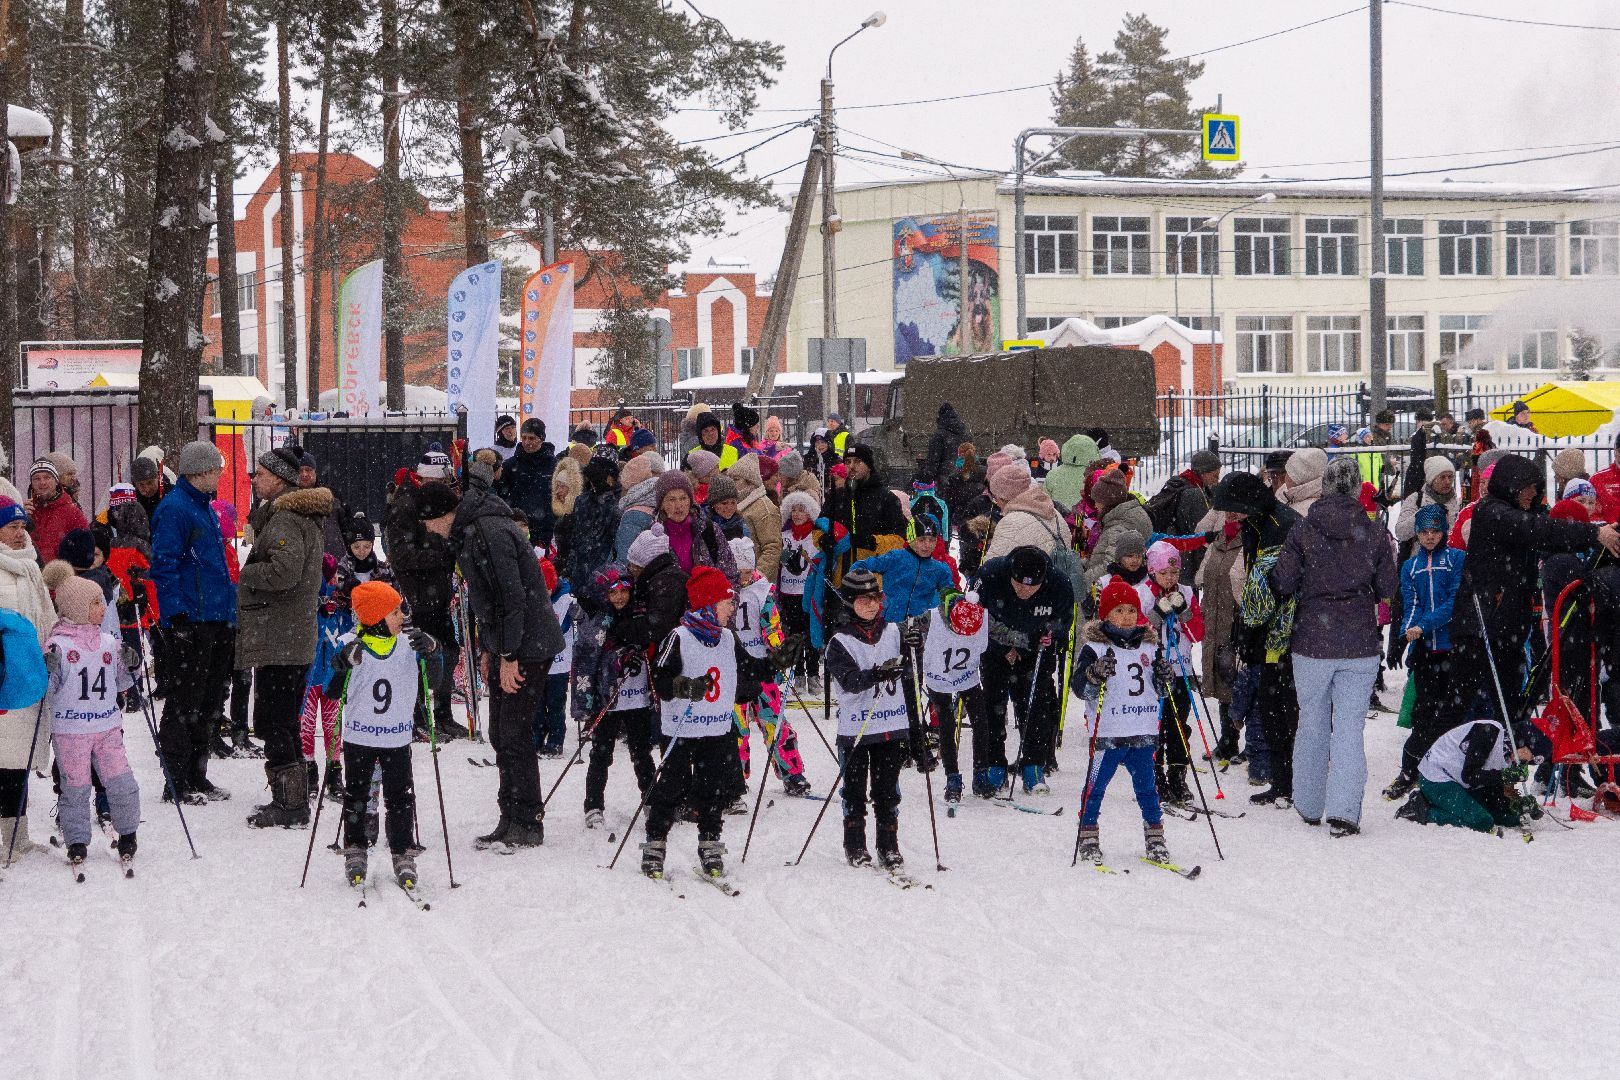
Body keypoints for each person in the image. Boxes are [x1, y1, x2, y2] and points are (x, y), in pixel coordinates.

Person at [1441, 454, 1620, 749]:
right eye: (1529, 488)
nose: (1534, 495)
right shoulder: (1492, 512)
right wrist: (1593, 533)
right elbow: (1540, 529)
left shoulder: (1519, 514)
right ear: (1512, 485)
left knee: (1509, 709)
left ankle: (1496, 775)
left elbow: (1553, 532)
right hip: (1480, 627)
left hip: (1507, 628)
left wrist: (1602, 529)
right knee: (1461, 705)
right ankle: (1424, 767)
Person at [442, 460, 565, 849]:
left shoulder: (488, 530)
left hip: (528, 643)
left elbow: (511, 599)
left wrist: (508, 654)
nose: (429, 532)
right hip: (510, 643)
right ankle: (509, 813)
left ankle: (527, 818)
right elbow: (486, 601)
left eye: (429, 523)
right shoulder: (470, 530)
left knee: (513, 733)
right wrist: (488, 650)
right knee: (500, 731)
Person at [1271, 458, 1396, 836]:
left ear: (1324, 486)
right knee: (1349, 728)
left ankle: (1309, 802)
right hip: (1359, 642)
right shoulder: (1374, 533)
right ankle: (1344, 810)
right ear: (1358, 487)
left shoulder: (1304, 529)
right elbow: (1388, 588)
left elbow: (1284, 581)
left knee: (1311, 722)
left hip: (1311, 640)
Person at [641, 566, 773, 882]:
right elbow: (659, 681)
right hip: (682, 729)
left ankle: (710, 842)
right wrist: (685, 687)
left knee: (713, 789)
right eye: (728, 602)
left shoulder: (728, 638)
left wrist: (778, 662)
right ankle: (655, 845)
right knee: (671, 788)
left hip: (716, 728)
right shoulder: (679, 636)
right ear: (709, 603)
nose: (732, 608)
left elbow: (749, 672)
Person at [240, 447, 335, 828]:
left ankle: (290, 803)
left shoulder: (284, 519)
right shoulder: (299, 516)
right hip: (292, 632)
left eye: (259, 474)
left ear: (279, 479)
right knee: (284, 717)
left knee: (274, 719)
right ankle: (295, 792)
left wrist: (246, 574)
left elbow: (283, 572)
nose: (254, 479)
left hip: (281, 633)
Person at [822, 567, 933, 870]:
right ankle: (855, 845)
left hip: (892, 727)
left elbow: (912, 676)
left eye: (875, 598)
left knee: (887, 791)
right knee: (855, 791)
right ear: (848, 602)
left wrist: (914, 648)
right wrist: (878, 673)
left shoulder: (894, 632)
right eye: (863, 599)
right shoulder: (839, 642)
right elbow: (850, 681)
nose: (871, 605)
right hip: (857, 729)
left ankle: (889, 846)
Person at [333, 581, 438, 889]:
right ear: (377, 616)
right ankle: (355, 847)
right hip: (359, 737)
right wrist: (340, 665)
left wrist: (433, 651)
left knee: (400, 797)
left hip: (396, 737)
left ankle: (403, 850)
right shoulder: (353, 644)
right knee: (356, 796)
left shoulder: (408, 643)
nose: (402, 616)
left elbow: (437, 680)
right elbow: (332, 691)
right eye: (394, 612)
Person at [149, 440, 237, 806]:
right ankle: (176, 780)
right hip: (191, 621)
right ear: (199, 472)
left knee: (210, 699)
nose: (219, 474)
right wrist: (176, 616)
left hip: (216, 618)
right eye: (215, 469)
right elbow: (164, 565)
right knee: (185, 701)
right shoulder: (175, 509)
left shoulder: (203, 508)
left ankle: (197, 774)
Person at [1212, 470, 1303, 807]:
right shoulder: (1254, 523)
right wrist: (1246, 630)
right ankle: (1280, 782)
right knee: (1268, 707)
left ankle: (1291, 781)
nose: (1228, 516)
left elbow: (1273, 586)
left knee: (1281, 709)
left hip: (1283, 632)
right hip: (1262, 627)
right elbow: (1254, 583)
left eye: (1231, 508)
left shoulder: (1282, 525)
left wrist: (1252, 629)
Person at [1072, 576, 1176, 868]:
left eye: (1131, 609)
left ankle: (1155, 838)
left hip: (1142, 729)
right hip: (1108, 731)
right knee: (1095, 786)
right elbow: (1080, 688)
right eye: (1119, 610)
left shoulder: (1149, 646)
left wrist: (1164, 677)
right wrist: (1094, 674)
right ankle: (1088, 835)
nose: (1127, 616)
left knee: (1147, 788)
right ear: (1106, 614)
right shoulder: (1094, 647)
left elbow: (1160, 689)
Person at [44, 573, 139, 870]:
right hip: (71, 729)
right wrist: (48, 669)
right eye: (96, 602)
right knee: (76, 786)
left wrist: (133, 665)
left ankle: (128, 832)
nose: (102, 607)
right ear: (76, 608)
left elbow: (121, 679)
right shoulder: (57, 644)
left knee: (122, 782)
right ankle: (76, 840)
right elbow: (48, 689)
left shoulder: (109, 642)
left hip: (107, 726)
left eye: (101, 601)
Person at [975, 545, 1074, 797]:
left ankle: (1033, 766)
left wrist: (1051, 634)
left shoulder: (1059, 583)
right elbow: (974, 615)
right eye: (1018, 585)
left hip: (1035, 651)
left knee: (1035, 707)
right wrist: (1003, 646)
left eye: (1032, 587)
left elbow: (1064, 622)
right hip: (995, 648)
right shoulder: (990, 574)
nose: (1024, 591)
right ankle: (995, 765)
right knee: (993, 706)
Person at [1383, 503, 1464, 801]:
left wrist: (1425, 624)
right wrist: (1409, 631)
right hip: (1427, 652)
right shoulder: (1411, 566)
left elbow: (1454, 603)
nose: (1430, 538)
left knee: (1452, 713)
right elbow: (1411, 600)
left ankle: (1447, 771)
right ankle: (1410, 770)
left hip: (1452, 649)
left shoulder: (1456, 559)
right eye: (1424, 533)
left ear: (1444, 532)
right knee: (1423, 714)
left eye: (1435, 531)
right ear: (1417, 535)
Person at [726, 538, 813, 802]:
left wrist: (779, 652)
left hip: (763, 670)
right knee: (736, 728)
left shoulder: (762, 591)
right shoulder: (724, 593)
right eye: (736, 571)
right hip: (734, 673)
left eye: (744, 571)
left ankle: (792, 773)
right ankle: (735, 778)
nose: (741, 577)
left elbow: (771, 626)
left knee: (774, 723)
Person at [573, 564, 656, 829]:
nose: (620, 597)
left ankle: (651, 798)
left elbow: (647, 641)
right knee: (601, 752)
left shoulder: (640, 613)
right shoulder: (598, 620)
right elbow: (590, 659)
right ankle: (593, 804)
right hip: (608, 698)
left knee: (641, 751)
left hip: (637, 696)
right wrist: (618, 661)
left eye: (624, 591)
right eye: (613, 592)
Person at [385, 480, 466, 742]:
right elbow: (402, 557)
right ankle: (419, 717)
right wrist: (440, 551)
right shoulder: (405, 511)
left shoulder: (435, 506)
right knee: (419, 660)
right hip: (416, 599)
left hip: (439, 596)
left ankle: (443, 714)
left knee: (448, 652)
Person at [0, 497, 54, 860]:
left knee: (17, 760)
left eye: (22, 527)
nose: (21, 534)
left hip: (28, 679)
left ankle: (16, 837)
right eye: (12, 527)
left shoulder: (32, 565)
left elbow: (45, 614)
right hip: (3, 677)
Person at [1145, 542, 1203, 806]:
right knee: (1156, 725)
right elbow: (1138, 633)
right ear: (1152, 571)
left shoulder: (1187, 592)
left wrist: (1185, 613)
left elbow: (1197, 634)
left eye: (1175, 573)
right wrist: (1157, 614)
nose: (1170, 579)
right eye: (1164, 573)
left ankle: (1178, 775)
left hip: (1181, 669)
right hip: (1155, 671)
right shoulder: (1144, 593)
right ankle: (1155, 775)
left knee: (1179, 725)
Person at [921, 589, 988, 805]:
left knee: (981, 721)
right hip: (938, 679)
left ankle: (980, 772)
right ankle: (952, 778)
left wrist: (1024, 639)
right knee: (947, 725)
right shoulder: (932, 617)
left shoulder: (982, 615)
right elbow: (902, 628)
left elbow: (1002, 631)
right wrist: (911, 638)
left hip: (967, 676)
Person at [1401, 717, 1526, 834]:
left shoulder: (1508, 752)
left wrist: (1516, 808)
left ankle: (1436, 802)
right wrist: (1502, 776)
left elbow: (1492, 796)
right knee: (1483, 821)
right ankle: (1420, 810)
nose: (1530, 761)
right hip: (1437, 778)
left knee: (1503, 816)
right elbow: (1470, 776)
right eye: (1534, 757)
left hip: (1459, 781)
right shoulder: (1489, 734)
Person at [1145, 450, 1221, 578]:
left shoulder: (1181, 483)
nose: (1217, 480)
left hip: (1172, 550)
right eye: (1215, 475)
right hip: (1185, 554)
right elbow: (1199, 530)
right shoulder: (1194, 494)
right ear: (1203, 473)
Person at [777, 492, 823, 696]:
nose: (797, 514)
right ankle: (798, 673)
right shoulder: (784, 536)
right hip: (789, 592)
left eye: (801, 509)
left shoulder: (816, 537)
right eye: (793, 509)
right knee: (795, 635)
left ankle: (813, 674)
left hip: (809, 592)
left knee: (811, 634)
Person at [1083, 467, 1152, 592]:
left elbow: (1109, 565)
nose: (1095, 505)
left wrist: (1082, 581)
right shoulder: (1121, 520)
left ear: (1107, 503)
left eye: (1098, 501)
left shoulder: (1118, 528)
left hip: (1108, 591)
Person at [497, 418, 558, 546]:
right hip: (518, 527)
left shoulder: (554, 465)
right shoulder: (510, 465)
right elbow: (500, 495)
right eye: (523, 438)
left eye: (531, 438)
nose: (526, 442)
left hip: (546, 528)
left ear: (541, 438)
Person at [536, 558, 573, 757]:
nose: (546, 594)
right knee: (537, 706)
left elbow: (562, 626)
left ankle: (556, 741)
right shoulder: (534, 597)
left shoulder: (565, 598)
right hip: (539, 663)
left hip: (559, 664)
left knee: (556, 705)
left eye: (549, 589)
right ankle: (537, 739)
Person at [727, 455, 782, 584]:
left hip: (754, 584)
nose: (732, 483)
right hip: (740, 580)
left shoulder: (764, 508)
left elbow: (772, 547)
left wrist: (757, 577)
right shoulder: (739, 504)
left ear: (750, 482)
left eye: (736, 479)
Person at [27, 457, 89, 564]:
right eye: (37, 479)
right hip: (30, 575)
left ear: (56, 481)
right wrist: (22, 519)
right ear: (31, 483)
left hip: (60, 577)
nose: (42, 482)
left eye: (47, 477)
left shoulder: (73, 513)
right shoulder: (26, 511)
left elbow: (85, 550)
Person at [921, 403, 970, 486]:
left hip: (944, 480)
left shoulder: (939, 435)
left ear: (940, 417)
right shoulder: (966, 434)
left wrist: (926, 478)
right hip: (963, 479)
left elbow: (933, 460)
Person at [1589, 431, 1620, 525]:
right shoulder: (1597, 479)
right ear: (1615, 451)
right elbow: (1590, 513)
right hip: (1609, 536)